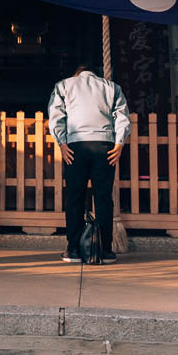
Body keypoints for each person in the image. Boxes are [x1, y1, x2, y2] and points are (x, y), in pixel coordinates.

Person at [48, 60, 129, 263]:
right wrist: (119, 143)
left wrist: (61, 142)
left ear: (77, 75)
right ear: (94, 75)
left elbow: (56, 115)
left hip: (76, 146)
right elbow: (122, 117)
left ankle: (74, 249)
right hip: (105, 146)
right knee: (103, 198)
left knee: (75, 197)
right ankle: (105, 250)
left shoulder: (64, 85)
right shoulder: (111, 87)